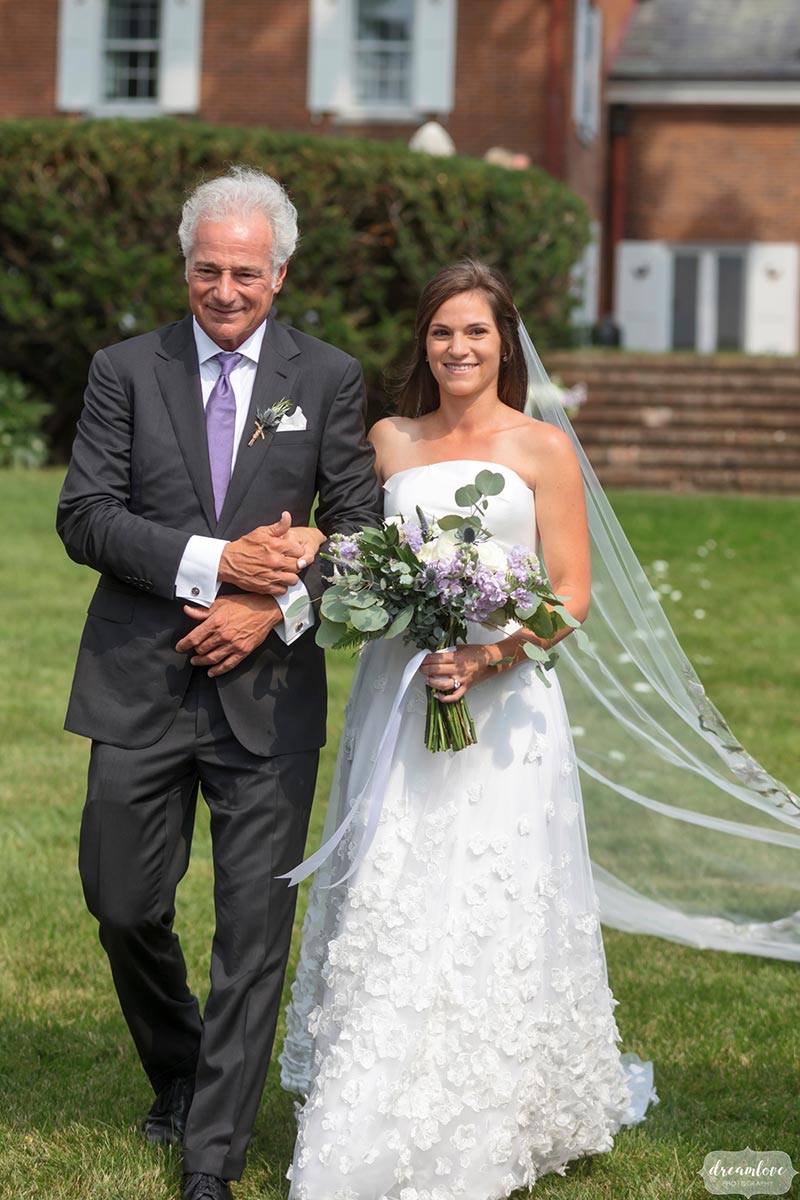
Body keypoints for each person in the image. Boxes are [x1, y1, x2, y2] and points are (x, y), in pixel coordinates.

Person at [280, 261, 655, 1200]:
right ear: (424, 341)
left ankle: (501, 1102)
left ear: (505, 342)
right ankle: (373, 1096)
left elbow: (570, 595)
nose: (458, 348)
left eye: (476, 331)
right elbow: (350, 551)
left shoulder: (543, 448)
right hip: (401, 694)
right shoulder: (387, 440)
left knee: (494, 893)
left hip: (508, 707)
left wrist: (489, 657)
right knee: (395, 883)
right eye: (442, 331)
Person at [57, 166, 382, 1200]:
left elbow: (362, 534)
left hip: (269, 696)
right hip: (137, 685)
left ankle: (213, 1158)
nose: (226, 290)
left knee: (252, 934)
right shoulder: (124, 370)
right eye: (209, 270)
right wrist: (215, 564)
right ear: (184, 267)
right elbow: (85, 516)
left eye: (246, 273)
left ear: (279, 275)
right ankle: (183, 1067)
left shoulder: (327, 378)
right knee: (121, 902)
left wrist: (269, 609)